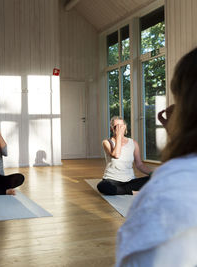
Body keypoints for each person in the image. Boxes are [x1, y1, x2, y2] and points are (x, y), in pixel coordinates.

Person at [116, 47, 197, 266]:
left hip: (134, 180)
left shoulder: (167, 191)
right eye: (116, 126)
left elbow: (141, 165)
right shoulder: (109, 142)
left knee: (145, 180)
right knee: (108, 186)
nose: (118, 128)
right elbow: (114, 155)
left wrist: (159, 174)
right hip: (114, 181)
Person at [97, 116, 152, 195]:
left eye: (121, 126)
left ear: (125, 127)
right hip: (112, 180)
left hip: (130, 181)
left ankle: (124, 190)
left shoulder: (133, 143)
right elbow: (116, 155)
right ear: (112, 128)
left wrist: (152, 174)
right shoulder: (107, 142)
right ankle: (131, 191)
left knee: (156, 179)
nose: (119, 128)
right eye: (116, 126)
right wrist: (119, 136)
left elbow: (139, 165)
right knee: (102, 186)